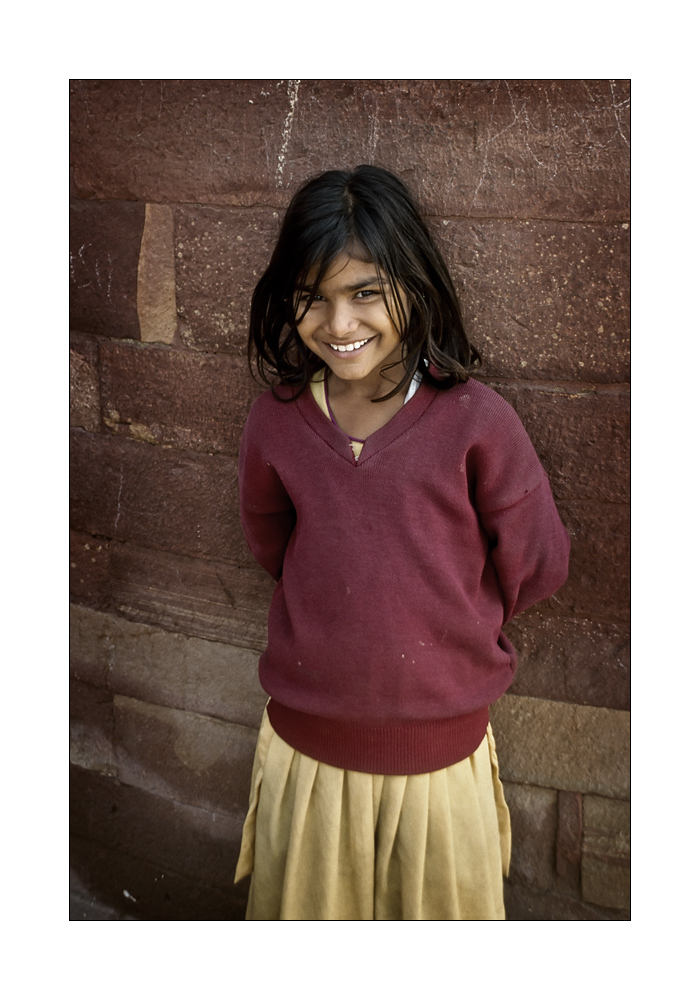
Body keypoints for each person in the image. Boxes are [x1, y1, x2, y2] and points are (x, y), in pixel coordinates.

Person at [233, 165, 570, 920]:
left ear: (413, 285)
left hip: (440, 766)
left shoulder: (477, 422)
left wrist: (440, 614)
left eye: (364, 292)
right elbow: (272, 543)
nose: (338, 322)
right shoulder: (277, 423)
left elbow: (539, 562)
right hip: (305, 760)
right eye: (312, 297)